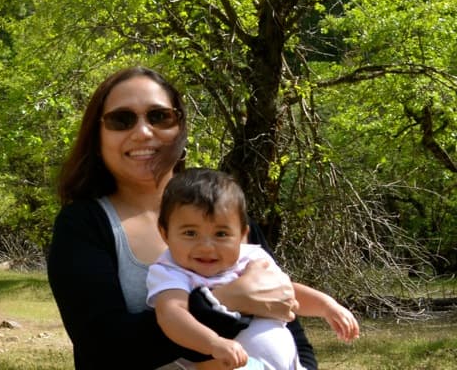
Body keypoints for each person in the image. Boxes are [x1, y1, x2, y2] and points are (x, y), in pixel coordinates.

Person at [47, 65, 318, 370]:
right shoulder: (83, 225)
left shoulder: (224, 212)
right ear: (97, 137)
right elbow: (104, 349)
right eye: (121, 120)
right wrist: (227, 300)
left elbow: (290, 325)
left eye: (159, 116)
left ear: (180, 127)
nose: (143, 132)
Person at [148, 168, 359, 370]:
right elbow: (171, 315)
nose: (206, 246)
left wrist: (326, 306)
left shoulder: (250, 257)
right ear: (165, 233)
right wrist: (213, 343)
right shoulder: (171, 270)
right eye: (190, 233)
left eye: (221, 234)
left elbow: (285, 291)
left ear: (242, 235)